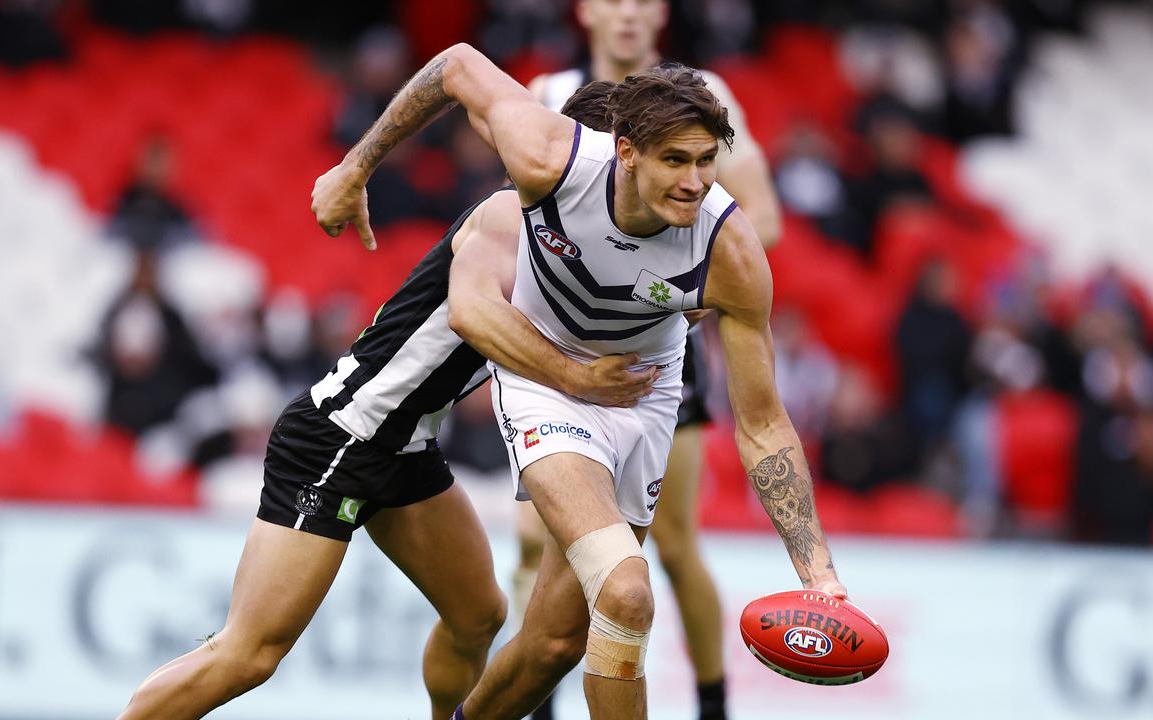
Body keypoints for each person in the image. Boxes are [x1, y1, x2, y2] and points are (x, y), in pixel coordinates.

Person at [311, 44, 846, 720]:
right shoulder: (548, 157)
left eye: (706, 162)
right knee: (626, 592)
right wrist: (355, 167)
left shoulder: (728, 252)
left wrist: (817, 573)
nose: (693, 181)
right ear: (625, 152)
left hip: (645, 399)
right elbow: (456, 66)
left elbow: (764, 424)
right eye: (674, 161)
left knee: (555, 643)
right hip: (548, 382)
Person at [114, 92, 657, 720]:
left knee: (478, 615)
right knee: (251, 654)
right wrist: (581, 376)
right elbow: (472, 316)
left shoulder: (580, 242)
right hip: (342, 437)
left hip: (405, 446)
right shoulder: (512, 217)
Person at [522, 2, 783, 716]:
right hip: (566, 343)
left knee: (671, 545)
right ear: (586, 10)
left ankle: (712, 707)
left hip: (659, 349)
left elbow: (762, 218)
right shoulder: (549, 95)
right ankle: (538, 698)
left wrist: (694, 279)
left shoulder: (703, 95)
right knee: (537, 544)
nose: (630, 12)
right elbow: (512, 218)